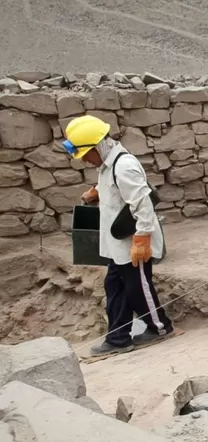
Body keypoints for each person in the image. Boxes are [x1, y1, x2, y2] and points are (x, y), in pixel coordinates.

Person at [66, 114, 174, 356]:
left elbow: (142, 204)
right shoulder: (107, 164)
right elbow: (115, 192)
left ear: (97, 146)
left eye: (85, 155)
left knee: (138, 288)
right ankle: (118, 338)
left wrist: (143, 239)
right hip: (118, 244)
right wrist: (97, 192)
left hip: (133, 242)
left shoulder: (124, 166)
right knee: (114, 285)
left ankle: (160, 327)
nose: (84, 161)